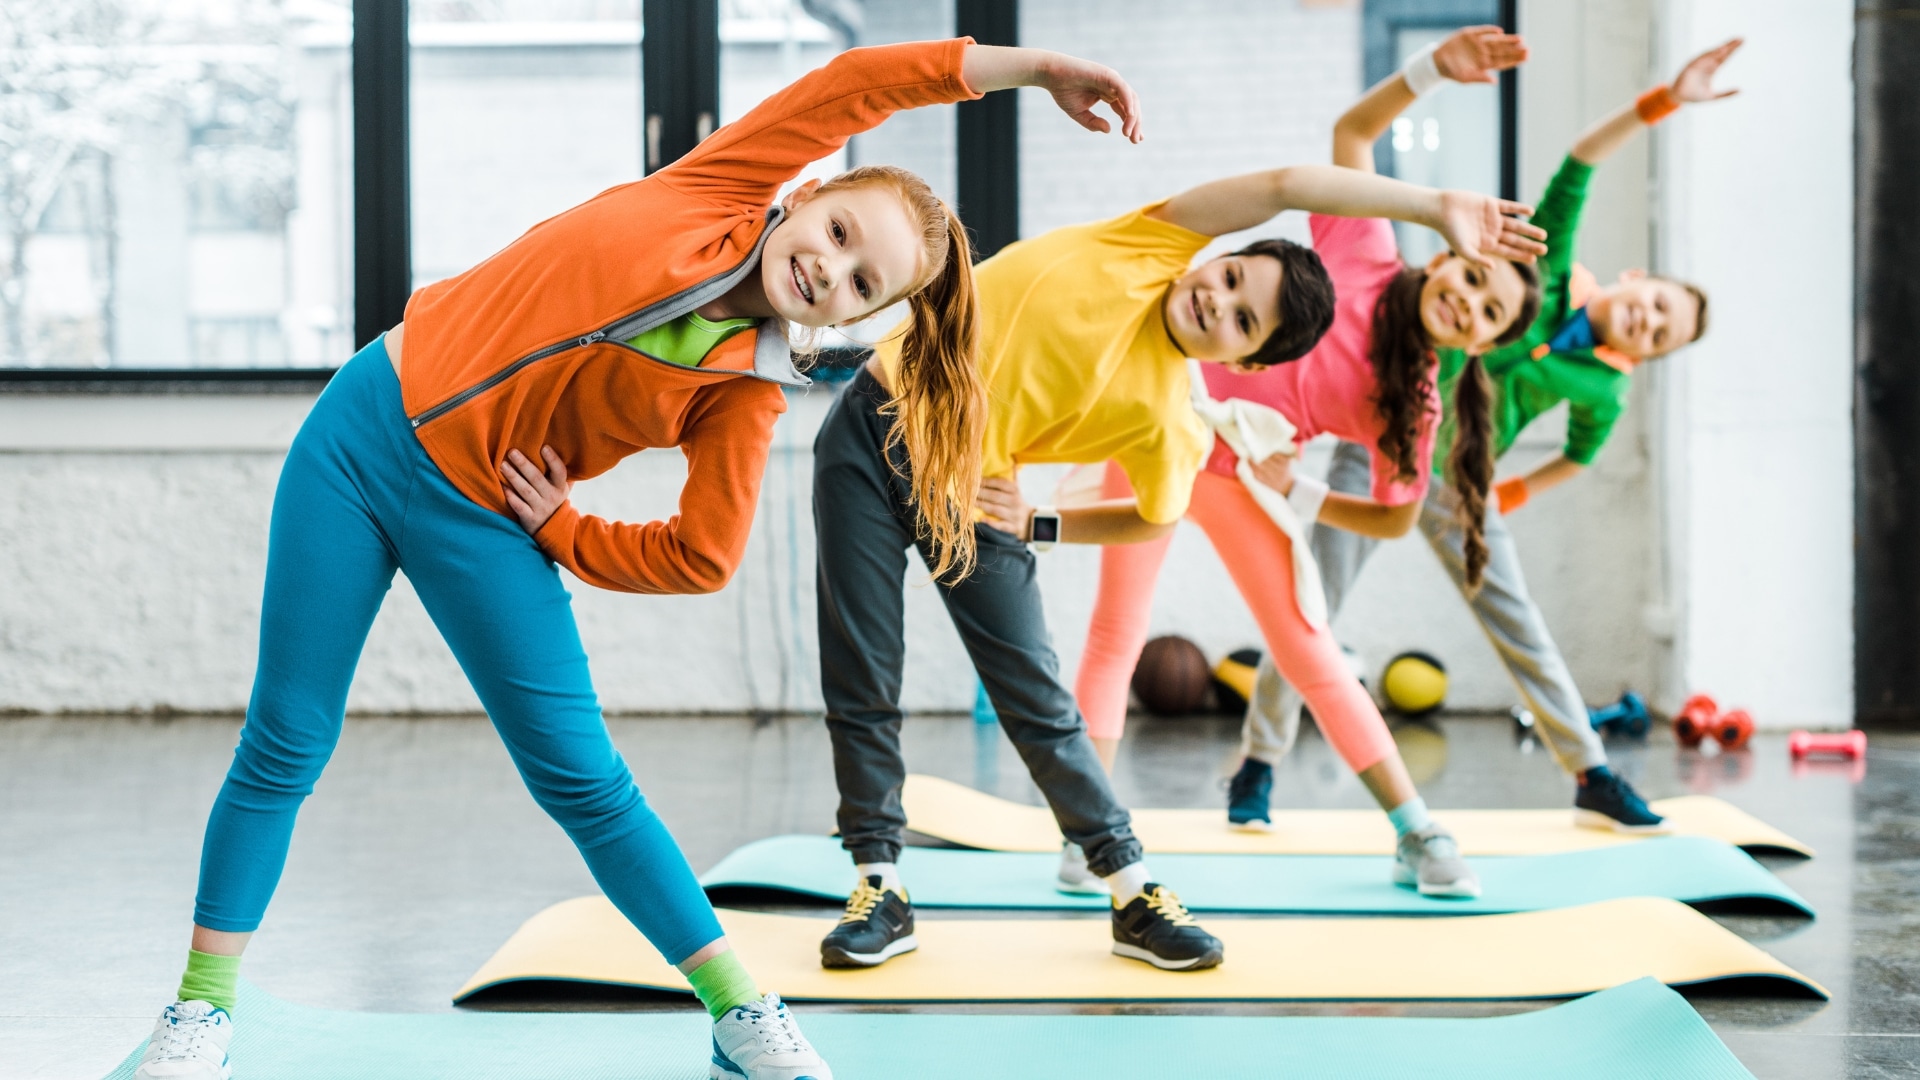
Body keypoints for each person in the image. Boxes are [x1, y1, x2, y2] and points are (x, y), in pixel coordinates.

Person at [130, 39, 1144, 1080]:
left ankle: (741, 1013)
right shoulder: (713, 185)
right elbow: (857, 86)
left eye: (858, 282)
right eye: (837, 232)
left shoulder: (742, 393)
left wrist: (563, 533)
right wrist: (1036, 70)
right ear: (804, 193)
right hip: (358, 435)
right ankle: (202, 1011)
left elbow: (704, 556)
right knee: (288, 738)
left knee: (583, 778)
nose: (828, 268)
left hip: (484, 515)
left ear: (853, 316)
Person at [815, 50, 1543, 972]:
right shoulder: (1152, 243)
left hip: (1034, 478)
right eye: (1232, 278)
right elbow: (1292, 179)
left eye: (1243, 320)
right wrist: (1435, 199)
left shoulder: (1195, 416)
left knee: (1052, 690)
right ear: (1219, 254)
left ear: (1249, 360)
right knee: (869, 669)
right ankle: (881, 881)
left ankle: (1137, 879)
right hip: (869, 423)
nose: (1219, 300)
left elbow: (1166, 518)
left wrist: (1037, 523)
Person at [1070, 25, 1546, 900]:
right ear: (1453, 254)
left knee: (1307, 645)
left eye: (1486, 312)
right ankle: (1091, 833)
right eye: (1477, 278)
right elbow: (1352, 138)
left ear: (1482, 346)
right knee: (1114, 632)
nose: (1467, 299)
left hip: (1231, 473)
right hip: (1152, 431)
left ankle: (1418, 830)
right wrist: (1433, 69)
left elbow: (1397, 516)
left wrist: (1307, 491)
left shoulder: (1416, 401)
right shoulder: (1367, 254)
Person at [1230, 37, 1739, 837]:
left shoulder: (1604, 393)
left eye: (1660, 334)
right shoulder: (1543, 265)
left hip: (1461, 474)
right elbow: (1580, 157)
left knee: (1517, 618)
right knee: (1309, 601)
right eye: (1654, 305)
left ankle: (1592, 773)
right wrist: (1666, 100)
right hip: (1383, 435)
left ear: (1652, 354)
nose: (1646, 322)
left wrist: (1507, 491)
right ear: (1636, 282)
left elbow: (1576, 458)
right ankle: (1258, 762)